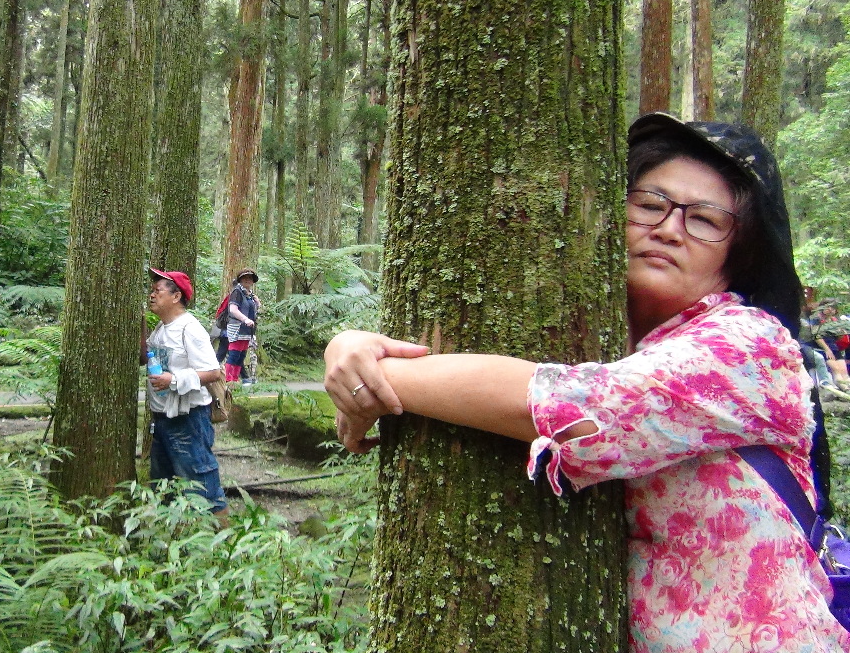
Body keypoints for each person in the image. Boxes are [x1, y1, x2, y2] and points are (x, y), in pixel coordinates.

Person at [323, 113, 850, 650]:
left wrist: (375, 375)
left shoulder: (750, 344)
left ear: (737, 252)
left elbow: (589, 409)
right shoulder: (625, 349)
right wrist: (348, 345)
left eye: (705, 220)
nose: (668, 228)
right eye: (649, 204)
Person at [145, 268, 228, 523]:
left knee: (203, 485)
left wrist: (175, 380)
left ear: (176, 296)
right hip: (162, 419)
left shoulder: (189, 328)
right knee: (165, 485)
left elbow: (213, 372)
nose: (152, 295)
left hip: (188, 419)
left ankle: (224, 542)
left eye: (158, 291)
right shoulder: (161, 328)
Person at [223, 269, 260, 383]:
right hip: (237, 327)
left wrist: (257, 303)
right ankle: (228, 379)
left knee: (242, 355)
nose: (247, 280)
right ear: (240, 280)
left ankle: (235, 379)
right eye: (245, 278)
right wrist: (245, 319)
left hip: (247, 330)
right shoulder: (237, 292)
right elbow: (233, 310)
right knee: (234, 353)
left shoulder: (250, 295)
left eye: (250, 278)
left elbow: (253, 311)